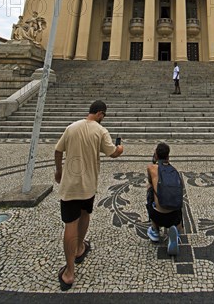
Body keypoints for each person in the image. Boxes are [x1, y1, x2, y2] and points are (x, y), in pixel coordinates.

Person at [54, 100, 123, 291]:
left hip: (70, 186)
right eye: (104, 116)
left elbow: (58, 151)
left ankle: (69, 272)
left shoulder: (71, 128)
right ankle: (79, 249)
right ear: (100, 114)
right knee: (85, 214)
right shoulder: (101, 131)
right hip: (88, 186)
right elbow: (113, 153)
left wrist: (58, 171)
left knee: (70, 223)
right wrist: (120, 148)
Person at [146, 142, 183, 255]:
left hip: (158, 215)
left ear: (156, 154)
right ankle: (176, 231)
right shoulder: (174, 171)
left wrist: (154, 159)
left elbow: (150, 182)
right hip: (175, 216)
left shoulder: (151, 168)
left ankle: (155, 230)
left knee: (150, 188)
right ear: (168, 156)